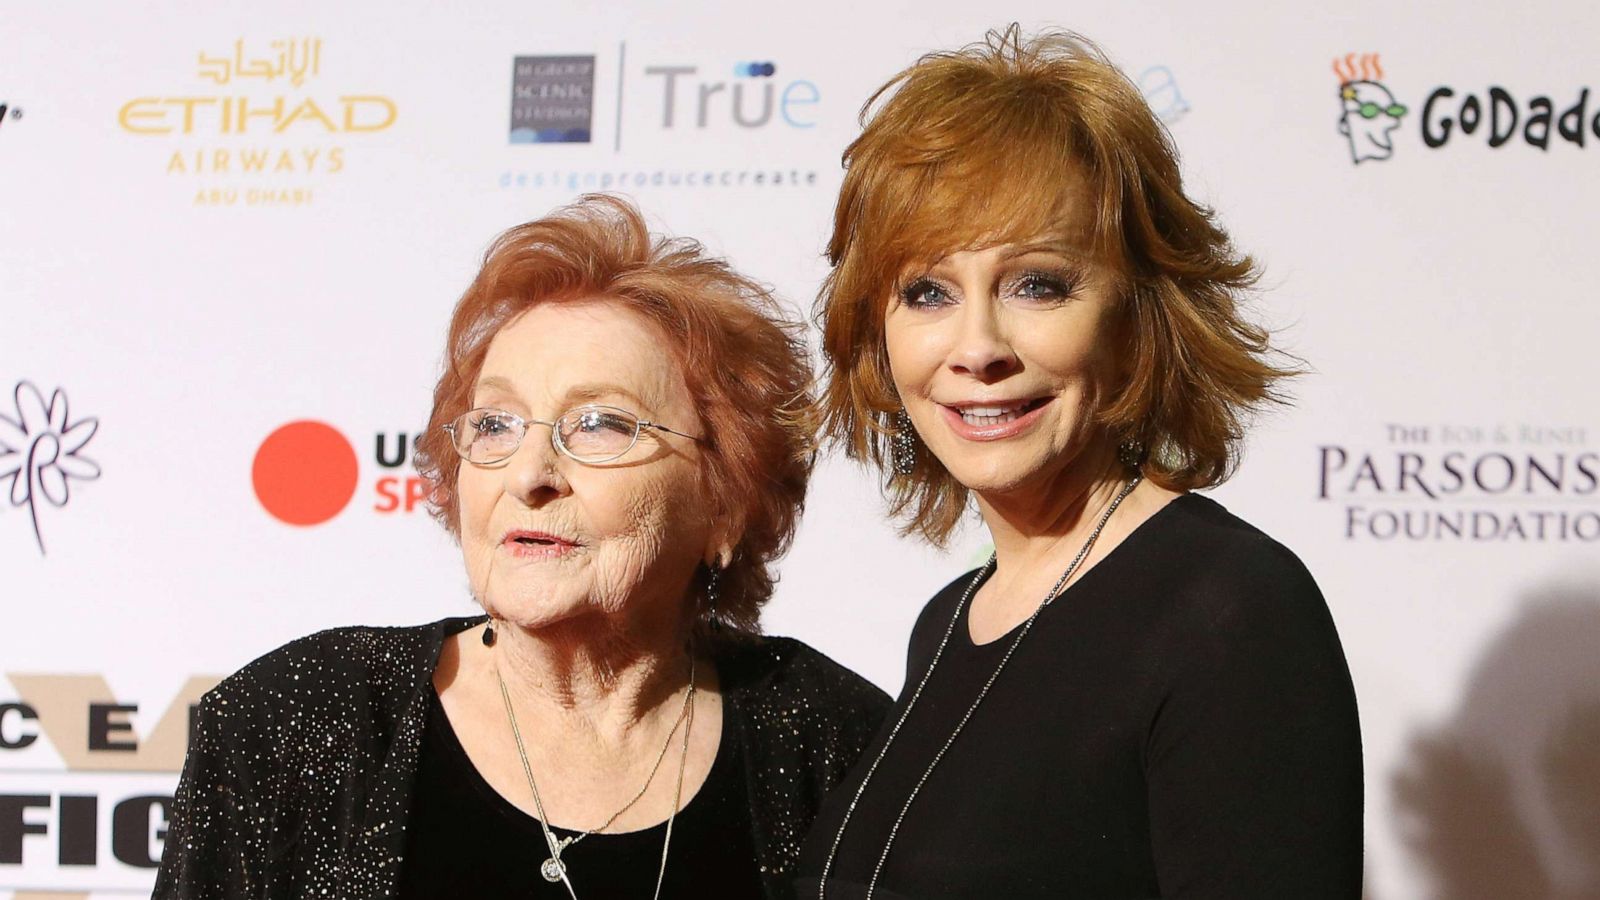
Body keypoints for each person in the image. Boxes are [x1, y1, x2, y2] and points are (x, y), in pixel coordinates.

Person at [154, 195, 891, 900]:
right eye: (497, 425)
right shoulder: (298, 724)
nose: (530, 475)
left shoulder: (834, 746)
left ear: (725, 500)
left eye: (601, 424)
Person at [796, 26, 1363, 900]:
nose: (977, 347)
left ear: (1138, 317)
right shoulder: (950, 621)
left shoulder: (1232, 610)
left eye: (1038, 284)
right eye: (927, 292)